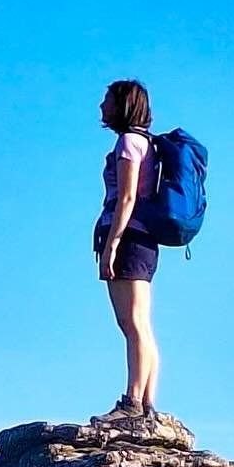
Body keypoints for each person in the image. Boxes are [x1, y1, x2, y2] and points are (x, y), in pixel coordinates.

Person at [90, 79, 162, 424]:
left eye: (107, 100)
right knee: (140, 324)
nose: (102, 106)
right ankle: (147, 403)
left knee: (131, 322)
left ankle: (133, 402)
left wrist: (112, 244)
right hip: (144, 238)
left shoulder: (128, 143)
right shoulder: (146, 143)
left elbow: (127, 197)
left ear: (123, 105)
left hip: (129, 237)